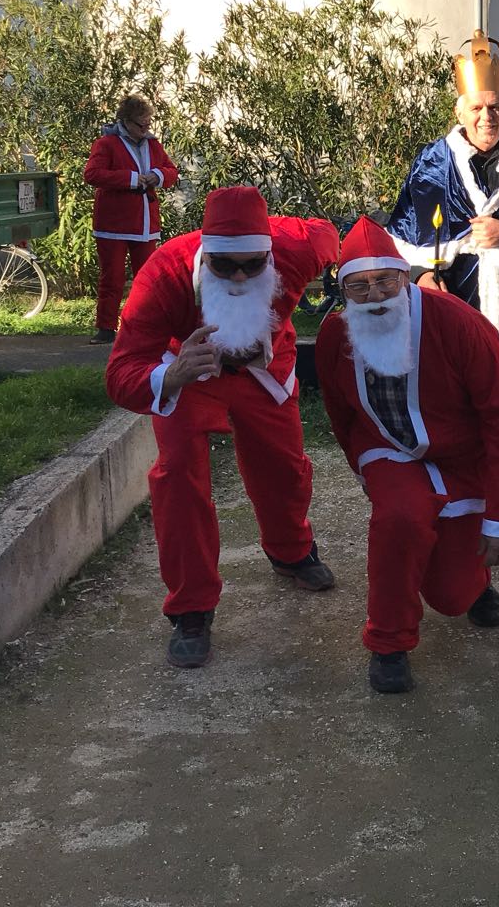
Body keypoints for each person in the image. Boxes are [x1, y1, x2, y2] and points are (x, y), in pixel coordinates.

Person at [105, 185, 341, 669]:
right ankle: (191, 608)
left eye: (253, 265)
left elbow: (329, 235)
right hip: (190, 370)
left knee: (283, 467)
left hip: (265, 368)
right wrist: (170, 376)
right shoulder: (165, 273)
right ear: (203, 255)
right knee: (179, 478)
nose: (238, 275)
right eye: (223, 265)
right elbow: (119, 372)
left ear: (270, 253)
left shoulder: (296, 250)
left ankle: (291, 549)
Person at [317, 217, 499, 694]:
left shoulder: (459, 324)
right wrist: (364, 465)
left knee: (451, 597)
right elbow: (339, 410)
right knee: (399, 520)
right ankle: (388, 643)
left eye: (385, 281)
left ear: (405, 278)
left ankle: (475, 580)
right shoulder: (336, 336)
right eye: (359, 286)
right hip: (387, 448)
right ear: (344, 290)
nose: (374, 296)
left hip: (461, 453)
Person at [386, 30, 499, 540]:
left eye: (494, 107)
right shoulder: (432, 162)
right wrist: (425, 276)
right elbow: (410, 235)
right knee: (461, 399)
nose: (486, 117)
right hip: (459, 302)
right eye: (476, 107)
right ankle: (466, 499)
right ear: (459, 107)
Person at [83, 92, 180, 345]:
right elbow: (92, 174)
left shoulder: (153, 144)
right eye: (141, 124)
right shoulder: (106, 144)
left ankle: (144, 326)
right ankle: (106, 327)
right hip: (113, 223)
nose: (146, 129)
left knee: (147, 279)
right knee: (112, 278)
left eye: (149, 124)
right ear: (125, 121)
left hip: (145, 222)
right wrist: (132, 179)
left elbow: (172, 172)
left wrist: (157, 175)